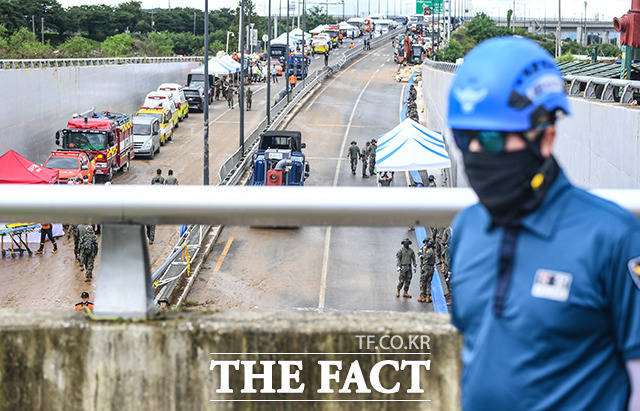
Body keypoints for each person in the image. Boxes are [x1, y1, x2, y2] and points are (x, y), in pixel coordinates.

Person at [447, 37, 640, 410]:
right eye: (464, 136)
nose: (473, 152)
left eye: (489, 137)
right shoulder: (467, 228)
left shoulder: (614, 240)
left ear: (546, 137)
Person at [148, 169, 164, 244]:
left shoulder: (153, 180)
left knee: (149, 226)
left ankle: (150, 238)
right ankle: (151, 238)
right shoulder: (162, 179)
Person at [417, 238, 436, 303]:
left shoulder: (429, 251)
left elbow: (425, 258)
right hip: (431, 268)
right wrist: (420, 255)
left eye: (427, 242)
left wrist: (424, 252)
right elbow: (419, 253)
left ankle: (422, 296)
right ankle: (428, 297)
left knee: (422, 281)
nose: (425, 243)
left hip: (426, 267)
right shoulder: (432, 250)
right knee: (428, 282)